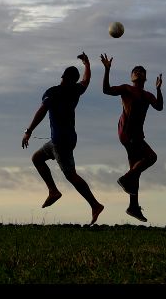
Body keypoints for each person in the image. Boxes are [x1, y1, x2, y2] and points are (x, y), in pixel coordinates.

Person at [22, 52, 105, 225]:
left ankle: (95, 205)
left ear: (64, 77)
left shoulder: (53, 92)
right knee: (37, 158)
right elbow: (86, 80)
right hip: (64, 139)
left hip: (61, 141)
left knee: (71, 175)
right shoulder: (76, 90)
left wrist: (29, 130)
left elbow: (42, 112)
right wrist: (87, 64)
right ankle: (53, 191)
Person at [100, 54, 163, 222]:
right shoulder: (127, 89)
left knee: (136, 170)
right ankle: (125, 178)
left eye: (142, 71)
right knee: (151, 157)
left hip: (137, 135)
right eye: (135, 71)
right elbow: (106, 90)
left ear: (145, 77)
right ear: (132, 76)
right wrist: (107, 70)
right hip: (127, 133)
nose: (139, 72)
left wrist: (158, 89)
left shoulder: (148, 95)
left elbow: (159, 107)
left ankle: (133, 206)